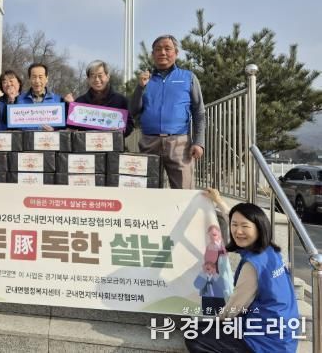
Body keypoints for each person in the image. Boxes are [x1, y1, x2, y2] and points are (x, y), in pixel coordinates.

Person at [186, 188, 300, 353]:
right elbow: (236, 221)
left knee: (194, 335)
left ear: (259, 228)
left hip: (265, 344)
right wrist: (218, 201)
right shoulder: (269, 251)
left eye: (244, 226)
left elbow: (235, 307)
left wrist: (215, 322)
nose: (238, 231)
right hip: (283, 337)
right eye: (234, 225)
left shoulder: (253, 266)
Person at [129, 35, 205, 189]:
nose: (162, 52)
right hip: (149, 143)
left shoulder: (188, 77)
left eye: (167, 49)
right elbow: (133, 111)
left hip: (179, 144)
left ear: (176, 53)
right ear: (152, 54)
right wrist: (140, 87)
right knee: (147, 191)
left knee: (183, 192)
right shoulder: (145, 80)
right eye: (158, 49)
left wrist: (199, 142)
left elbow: (199, 112)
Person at [72, 60, 134, 137]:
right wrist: (69, 105)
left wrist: (120, 131)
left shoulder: (121, 100)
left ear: (108, 77)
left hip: (113, 144)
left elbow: (130, 125)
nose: (97, 79)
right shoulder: (79, 102)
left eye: (100, 75)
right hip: (85, 144)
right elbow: (71, 127)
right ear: (88, 79)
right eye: (93, 76)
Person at [17, 63, 69, 131]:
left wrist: (54, 130)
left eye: (40, 77)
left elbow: (64, 127)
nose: (37, 81)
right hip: (26, 137)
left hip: (48, 138)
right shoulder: (19, 100)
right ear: (29, 79)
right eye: (34, 77)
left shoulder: (58, 101)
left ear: (46, 79)